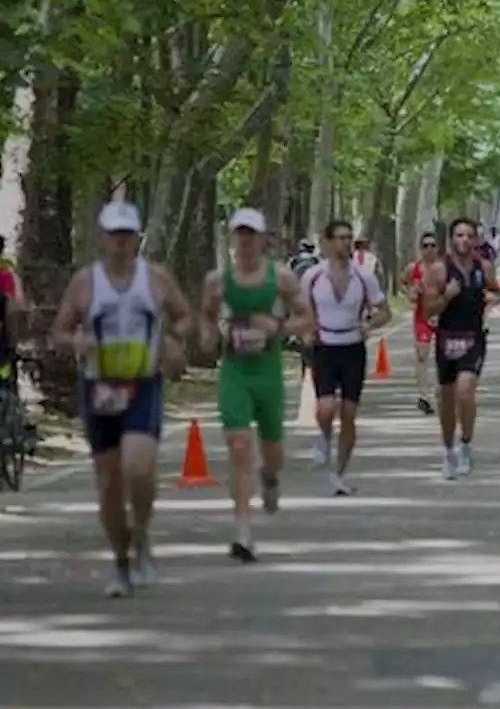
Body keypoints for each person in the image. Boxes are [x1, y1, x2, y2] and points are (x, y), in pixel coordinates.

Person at [51, 202, 194, 595]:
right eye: (114, 236)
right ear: (103, 238)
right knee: (110, 482)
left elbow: (183, 315)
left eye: (127, 236)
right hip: (99, 388)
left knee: (138, 468)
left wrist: (173, 341)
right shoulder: (86, 283)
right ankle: (121, 563)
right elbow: (59, 331)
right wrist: (77, 341)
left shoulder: (156, 279)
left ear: (137, 239)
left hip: (141, 384)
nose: (120, 244)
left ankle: (143, 536)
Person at [201, 208, 312, 563]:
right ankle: (243, 533)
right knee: (238, 446)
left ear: (263, 239)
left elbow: (308, 318)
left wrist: (276, 327)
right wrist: (210, 336)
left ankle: (270, 477)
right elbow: (206, 316)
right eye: (240, 234)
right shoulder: (219, 281)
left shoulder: (279, 278)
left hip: (268, 373)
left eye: (251, 234)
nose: (245, 241)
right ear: (233, 239)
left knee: (272, 452)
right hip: (235, 372)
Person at [302, 220, 391, 496]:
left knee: (349, 415)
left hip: (352, 346)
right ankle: (324, 437)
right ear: (327, 242)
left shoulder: (363, 276)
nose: (345, 243)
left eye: (348, 238)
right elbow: (302, 309)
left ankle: (339, 473)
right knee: (326, 407)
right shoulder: (313, 276)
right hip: (325, 346)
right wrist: (307, 330)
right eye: (339, 238)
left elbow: (384, 311)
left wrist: (369, 325)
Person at [421, 218, 500, 479]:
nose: (464, 240)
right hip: (446, 339)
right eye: (459, 235)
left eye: (469, 236)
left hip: (473, 338)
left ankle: (466, 444)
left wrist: (492, 298)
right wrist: (447, 296)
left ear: (476, 240)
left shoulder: (484, 267)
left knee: (465, 393)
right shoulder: (438, 270)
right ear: (451, 239)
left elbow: (497, 291)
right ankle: (448, 451)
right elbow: (428, 309)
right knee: (446, 400)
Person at [402, 231, 441, 415]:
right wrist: (410, 293)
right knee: (422, 354)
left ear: (438, 248)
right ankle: (423, 395)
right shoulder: (414, 268)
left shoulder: (444, 268)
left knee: (445, 356)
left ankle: (441, 389)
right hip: (422, 316)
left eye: (432, 245)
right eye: (425, 246)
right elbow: (403, 283)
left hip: (443, 315)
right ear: (420, 248)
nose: (429, 249)